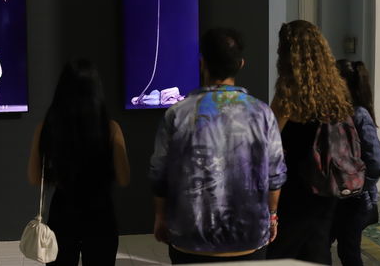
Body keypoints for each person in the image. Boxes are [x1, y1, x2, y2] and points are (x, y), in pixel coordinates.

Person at [149, 28, 287, 264]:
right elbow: (275, 175)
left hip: (190, 239)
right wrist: (272, 215)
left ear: (202, 63)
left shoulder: (178, 114)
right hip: (248, 239)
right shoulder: (262, 113)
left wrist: (161, 217)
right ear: (241, 64)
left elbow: (159, 173)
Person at [266, 20, 354, 265]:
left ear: (288, 54)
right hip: (327, 183)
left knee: (283, 252)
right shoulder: (336, 90)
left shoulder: (288, 94)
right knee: (317, 248)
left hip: (295, 187)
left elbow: (269, 139)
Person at [27, 59, 130, 266]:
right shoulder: (111, 129)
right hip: (101, 214)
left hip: (63, 213)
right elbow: (124, 178)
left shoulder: (47, 128)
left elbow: (34, 177)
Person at [331, 59, 380, 266]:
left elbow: (377, 161)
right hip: (340, 196)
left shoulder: (359, 114)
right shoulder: (340, 112)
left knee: (349, 252)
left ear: (344, 82)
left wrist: (359, 185)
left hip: (354, 199)